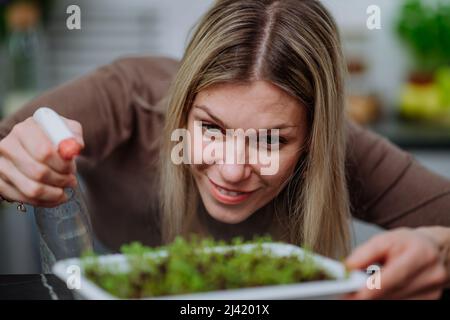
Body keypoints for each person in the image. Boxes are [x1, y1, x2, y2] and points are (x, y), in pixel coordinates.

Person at [0, 0, 449, 299]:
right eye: (211, 127)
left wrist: (438, 246)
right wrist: (11, 163)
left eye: (272, 140)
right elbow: (11, 143)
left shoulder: (343, 147)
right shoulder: (129, 94)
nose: (232, 171)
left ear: (314, 138)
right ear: (182, 106)